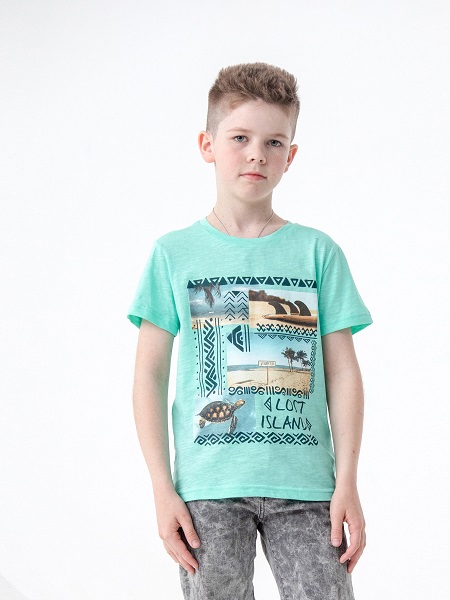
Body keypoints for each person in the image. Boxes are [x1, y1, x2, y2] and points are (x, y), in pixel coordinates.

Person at [127, 62, 373, 600]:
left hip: (308, 486)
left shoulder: (318, 252)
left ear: (291, 155)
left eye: (274, 142)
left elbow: (343, 373)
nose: (257, 154)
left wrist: (348, 481)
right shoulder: (173, 254)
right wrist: (161, 488)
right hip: (208, 488)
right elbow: (149, 376)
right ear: (207, 145)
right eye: (240, 137)